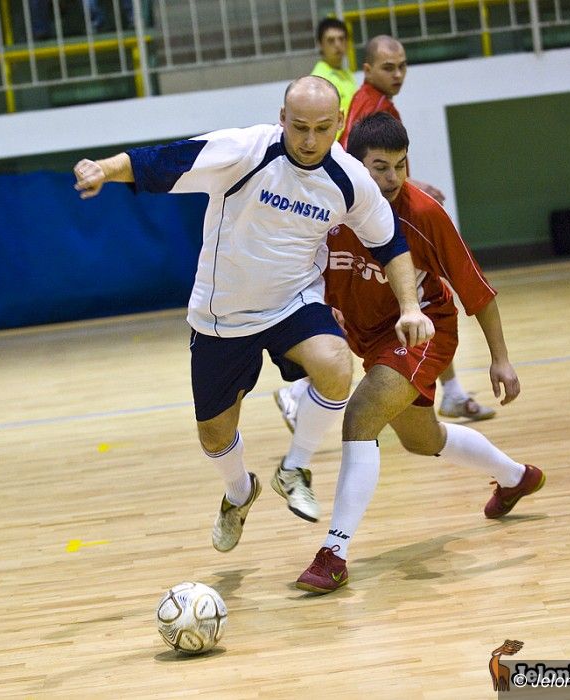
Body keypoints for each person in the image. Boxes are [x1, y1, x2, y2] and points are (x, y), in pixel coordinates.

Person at [73, 76, 432, 553]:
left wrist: (410, 306)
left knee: (335, 365)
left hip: (292, 301)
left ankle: (294, 467)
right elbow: (163, 161)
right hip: (223, 314)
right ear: (282, 118)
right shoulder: (245, 151)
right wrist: (103, 168)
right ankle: (239, 492)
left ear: (340, 124)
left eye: (322, 128)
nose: (309, 140)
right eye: (299, 126)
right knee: (214, 435)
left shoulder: (350, 180)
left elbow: (390, 244)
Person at [292, 112, 545, 594]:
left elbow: (478, 291)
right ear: (354, 164)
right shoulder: (327, 205)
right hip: (367, 337)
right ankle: (516, 477)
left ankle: (334, 554)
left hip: (423, 332)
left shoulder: (424, 214)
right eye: (380, 167)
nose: (393, 178)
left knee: (360, 416)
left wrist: (500, 358)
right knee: (422, 439)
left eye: (401, 165)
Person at [276, 34, 495, 425]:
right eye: (388, 67)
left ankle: (451, 391)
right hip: (364, 215)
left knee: (419, 295)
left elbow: (381, 163)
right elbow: (359, 160)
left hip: (379, 216)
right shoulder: (372, 107)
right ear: (368, 70)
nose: (398, 74)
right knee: (380, 299)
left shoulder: (377, 104)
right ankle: (301, 391)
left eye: (402, 66)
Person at [310, 17, 357, 142]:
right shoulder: (318, 79)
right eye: (331, 40)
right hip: (332, 146)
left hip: (350, 143)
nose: (337, 45)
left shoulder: (347, 74)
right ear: (320, 45)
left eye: (341, 39)